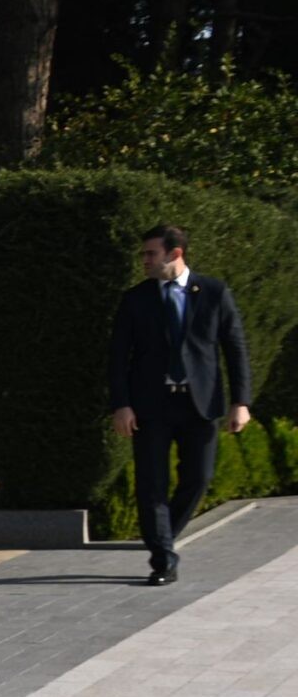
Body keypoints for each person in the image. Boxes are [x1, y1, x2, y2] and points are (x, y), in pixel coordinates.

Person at [110, 225, 252, 585]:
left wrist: (241, 402)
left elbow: (235, 349)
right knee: (151, 485)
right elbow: (116, 358)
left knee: (198, 479)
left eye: (151, 254)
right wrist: (121, 405)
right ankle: (163, 561)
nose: (144, 260)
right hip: (150, 407)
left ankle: (163, 539)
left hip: (199, 404)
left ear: (175, 254)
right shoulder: (136, 299)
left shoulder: (214, 292)